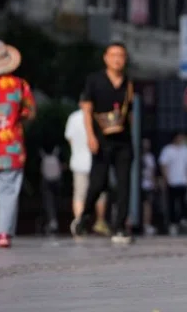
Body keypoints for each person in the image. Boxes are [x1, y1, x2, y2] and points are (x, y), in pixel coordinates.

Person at [72, 42, 135, 245]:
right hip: (101, 140)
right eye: (114, 55)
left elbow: (130, 112)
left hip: (123, 140)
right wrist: (90, 136)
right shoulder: (94, 80)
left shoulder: (128, 82)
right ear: (106, 58)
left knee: (124, 184)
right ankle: (83, 218)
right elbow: (87, 111)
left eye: (121, 55)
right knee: (98, 184)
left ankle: (119, 226)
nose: (117, 59)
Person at [0, 40, 36, 248]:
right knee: (8, 190)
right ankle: (4, 233)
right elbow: (30, 113)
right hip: (11, 145)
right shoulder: (19, 85)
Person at [65, 107, 108, 234]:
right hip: (97, 161)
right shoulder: (99, 114)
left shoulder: (73, 118)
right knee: (100, 191)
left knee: (80, 194)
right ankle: (100, 221)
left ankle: (79, 222)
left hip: (79, 161)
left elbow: (70, 139)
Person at [160, 133, 187, 235]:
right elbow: (163, 165)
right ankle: (172, 223)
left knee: (183, 204)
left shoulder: (185, 150)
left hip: (183, 181)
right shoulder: (168, 150)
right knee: (171, 204)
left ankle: (182, 222)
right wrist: (166, 178)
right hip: (172, 181)